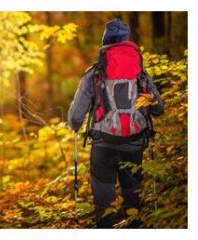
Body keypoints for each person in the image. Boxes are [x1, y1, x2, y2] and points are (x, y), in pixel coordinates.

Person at [68, 19, 164, 228]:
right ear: (126, 42)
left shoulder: (94, 74)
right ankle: (135, 226)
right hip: (135, 142)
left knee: (104, 202)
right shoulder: (141, 75)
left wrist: (75, 125)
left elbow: (76, 115)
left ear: (106, 42)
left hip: (104, 143)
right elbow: (158, 108)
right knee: (133, 199)